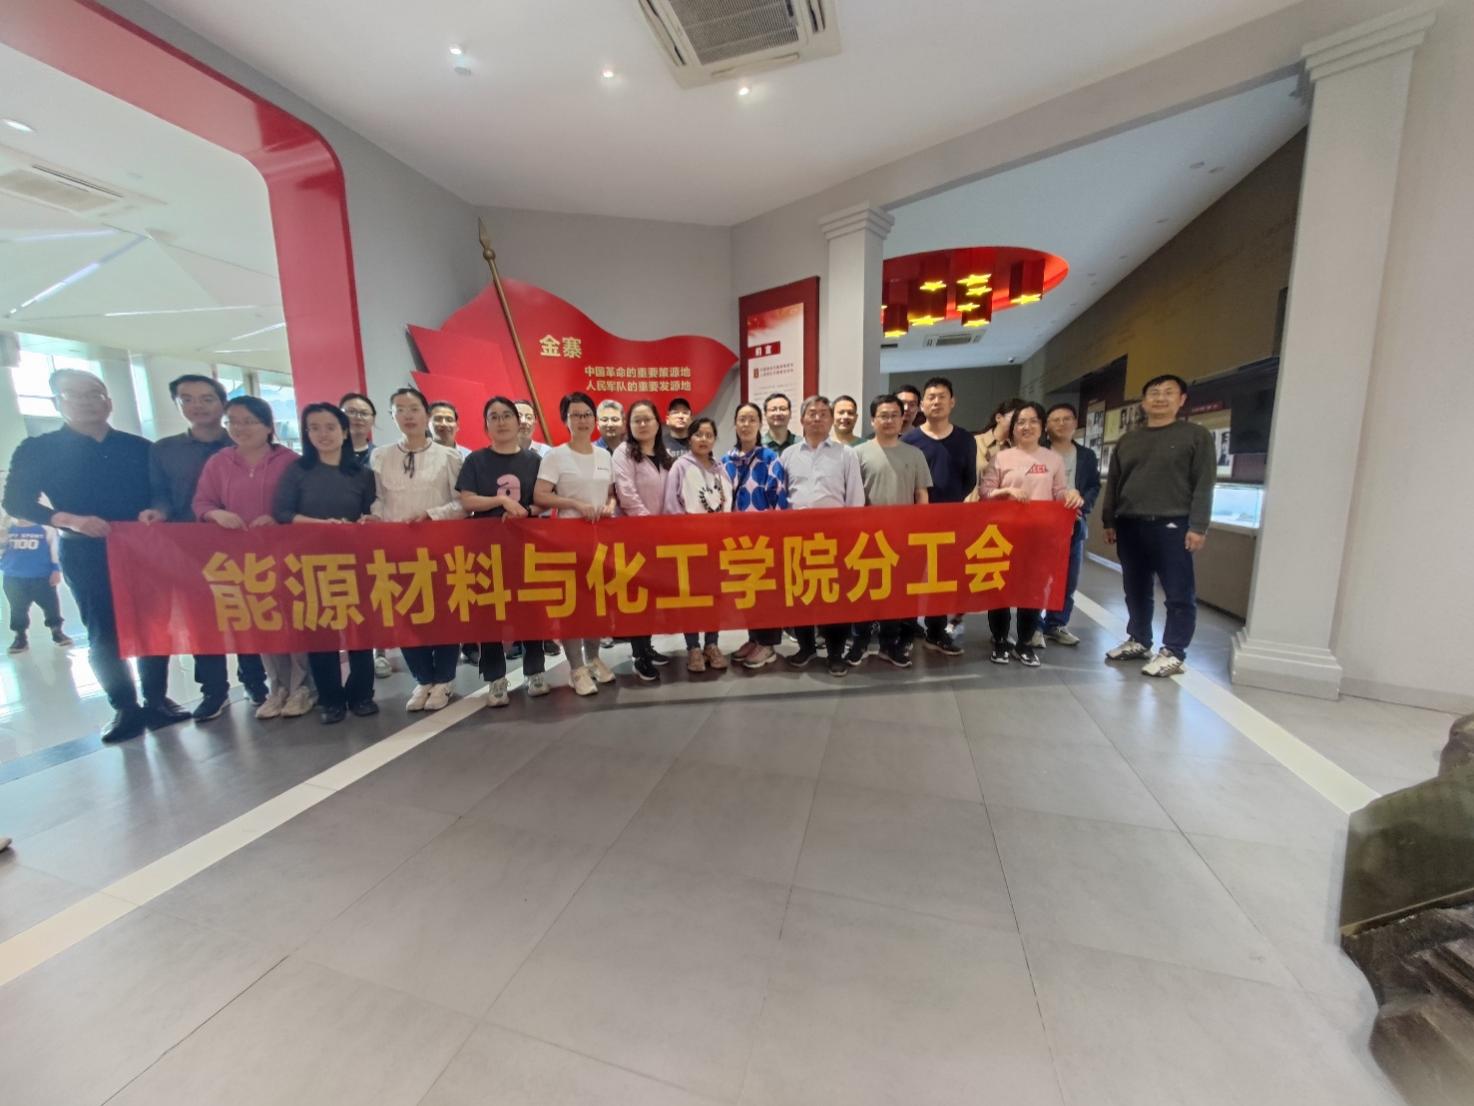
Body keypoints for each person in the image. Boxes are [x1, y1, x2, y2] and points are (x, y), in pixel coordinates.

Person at [3, 370, 189, 742]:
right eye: (75, 395)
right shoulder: (38, 448)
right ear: (58, 403)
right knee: (103, 631)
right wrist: (69, 519)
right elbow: (16, 501)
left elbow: (163, 493)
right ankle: (124, 706)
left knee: (154, 624)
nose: (87, 401)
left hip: (143, 548)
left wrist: (158, 510)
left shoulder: (139, 447)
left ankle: (156, 700)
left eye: (95, 393)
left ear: (109, 400)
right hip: (85, 550)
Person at [144, 373, 264, 720]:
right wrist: (158, 512)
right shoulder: (164, 450)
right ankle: (213, 691)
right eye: (188, 399)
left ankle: (256, 683)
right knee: (202, 622)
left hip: (242, 547)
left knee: (246, 616)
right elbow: (161, 495)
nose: (197, 406)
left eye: (207, 398)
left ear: (222, 404)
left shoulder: (245, 444)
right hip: (189, 548)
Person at [193, 396, 314, 719]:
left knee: (293, 620)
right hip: (242, 559)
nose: (240, 428)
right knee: (261, 622)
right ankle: (278, 687)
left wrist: (278, 518)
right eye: (233, 421)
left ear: (268, 426)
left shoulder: (290, 461)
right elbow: (202, 503)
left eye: (249, 421)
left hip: (287, 555)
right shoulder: (219, 462)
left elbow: (305, 503)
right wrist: (217, 514)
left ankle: (302, 687)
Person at [1101, 374, 1215, 678]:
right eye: (1154, 392)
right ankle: (1139, 639)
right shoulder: (1129, 440)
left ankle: (1174, 651)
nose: (1160, 398)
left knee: (1178, 592)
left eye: (1168, 392)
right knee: (1135, 588)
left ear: (1182, 399)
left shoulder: (1196, 436)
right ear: (1144, 401)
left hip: (1173, 524)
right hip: (1130, 523)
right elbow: (1114, 483)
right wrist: (1109, 520)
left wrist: (1199, 526)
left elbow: (1204, 484)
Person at [273, 403, 379, 723]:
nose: (323, 434)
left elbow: (371, 512)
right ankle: (330, 700)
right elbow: (282, 513)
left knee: (361, 631)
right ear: (306, 433)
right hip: (310, 563)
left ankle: (362, 694)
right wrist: (320, 525)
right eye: (315, 428)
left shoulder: (362, 473)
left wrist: (366, 521)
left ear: (344, 432)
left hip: (354, 562)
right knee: (320, 633)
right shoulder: (297, 470)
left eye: (330, 427)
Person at [370, 387, 466, 711]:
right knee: (405, 615)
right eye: (400, 409)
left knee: (444, 614)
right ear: (391, 416)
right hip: (395, 551)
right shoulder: (381, 457)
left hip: (439, 548)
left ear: (426, 414)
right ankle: (423, 678)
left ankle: (445, 678)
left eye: (414, 408)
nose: (407, 415)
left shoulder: (448, 456)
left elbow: (462, 503)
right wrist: (376, 517)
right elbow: (377, 500)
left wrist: (432, 514)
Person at [457, 396, 550, 707]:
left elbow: (543, 500)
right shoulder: (476, 461)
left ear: (518, 421)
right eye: (493, 417)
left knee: (530, 608)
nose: (501, 421)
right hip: (486, 549)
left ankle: (535, 671)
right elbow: (467, 500)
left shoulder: (534, 461)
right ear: (486, 425)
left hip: (526, 547)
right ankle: (495, 677)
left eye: (506, 415)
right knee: (489, 611)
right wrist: (501, 501)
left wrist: (527, 510)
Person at [979, 403, 1085, 667]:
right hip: (1004, 535)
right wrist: (1007, 492)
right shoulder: (1002, 458)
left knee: (1033, 592)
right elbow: (985, 492)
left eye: (1033, 421)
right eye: (1020, 422)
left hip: (1039, 537)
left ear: (1042, 426)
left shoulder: (1053, 459)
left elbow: (1059, 492)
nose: (1026, 427)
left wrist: (1071, 495)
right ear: (1013, 428)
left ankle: (1024, 644)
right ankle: (1000, 641)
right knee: (1000, 591)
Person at [534, 391, 616, 696]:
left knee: (597, 602)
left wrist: (609, 505)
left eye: (587, 415)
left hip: (600, 538)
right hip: (568, 539)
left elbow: (611, 493)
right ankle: (576, 668)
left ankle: (593, 658)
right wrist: (574, 504)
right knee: (573, 604)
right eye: (575, 415)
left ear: (594, 419)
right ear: (565, 420)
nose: (582, 420)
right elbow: (541, 495)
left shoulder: (604, 455)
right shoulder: (555, 456)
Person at [780, 396, 865, 677]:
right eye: (812, 413)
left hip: (835, 538)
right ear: (802, 419)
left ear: (830, 420)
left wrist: (852, 536)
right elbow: (781, 497)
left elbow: (855, 498)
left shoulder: (846, 454)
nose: (817, 418)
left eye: (823, 414)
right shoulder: (788, 455)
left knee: (835, 598)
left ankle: (835, 653)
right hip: (796, 538)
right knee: (801, 595)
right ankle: (806, 648)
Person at [846, 394, 931, 669]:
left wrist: (920, 532)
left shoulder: (914, 454)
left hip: (902, 538)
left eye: (895, 415)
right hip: (865, 539)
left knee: (896, 595)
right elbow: (851, 496)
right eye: (883, 415)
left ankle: (888, 644)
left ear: (902, 418)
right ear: (873, 420)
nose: (889, 420)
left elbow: (921, 495)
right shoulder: (857, 454)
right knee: (863, 592)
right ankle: (859, 643)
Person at [902, 377, 975, 656]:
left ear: (952, 402)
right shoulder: (910, 440)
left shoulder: (965, 439)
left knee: (941, 579)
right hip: (914, 521)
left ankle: (936, 632)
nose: (936, 402)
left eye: (942, 396)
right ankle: (907, 631)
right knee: (908, 576)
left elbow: (968, 480)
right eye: (930, 397)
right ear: (922, 404)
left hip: (949, 522)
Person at [610, 398, 674, 682]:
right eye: (637, 420)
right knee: (636, 597)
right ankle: (639, 655)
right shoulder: (623, 453)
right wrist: (649, 525)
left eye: (648, 419)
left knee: (651, 596)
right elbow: (626, 494)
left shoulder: (664, 455)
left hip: (661, 537)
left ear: (658, 424)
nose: (643, 424)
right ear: (629, 425)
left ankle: (648, 645)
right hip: (634, 536)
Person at [664, 416, 733, 674]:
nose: (703, 439)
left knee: (715, 597)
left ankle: (712, 644)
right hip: (690, 547)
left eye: (709, 435)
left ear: (714, 439)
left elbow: (727, 505)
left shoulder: (721, 469)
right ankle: (693, 647)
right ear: (690, 438)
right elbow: (671, 507)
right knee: (691, 597)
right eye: (698, 434)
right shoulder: (680, 467)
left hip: (717, 546)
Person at [724, 402, 788, 669]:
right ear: (735, 424)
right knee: (748, 590)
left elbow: (779, 497)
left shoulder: (770, 458)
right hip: (736, 540)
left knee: (767, 592)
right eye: (742, 419)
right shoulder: (726, 460)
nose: (746, 424)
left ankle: (768, 644)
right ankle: (754, 637)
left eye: (752, 419)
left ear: (760, 424)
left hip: (765, 539)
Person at [1040, 403, 1101, 647]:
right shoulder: (1037, 453)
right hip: (1042, 524)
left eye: (1066, 419)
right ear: (1046, 426)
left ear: (1075, 423)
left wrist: (1082, 504)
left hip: (1073, 523)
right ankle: (1033, 625)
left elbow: (1094, 485)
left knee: (1068, 578)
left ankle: (1056, 624)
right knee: (1037, 577)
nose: (1061, 424)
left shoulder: (1086, 455)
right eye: (1055, 420)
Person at [1, 512, 71, 654]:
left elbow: (54, 548)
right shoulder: (7, 527)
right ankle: (20, 636)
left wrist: (56, 569)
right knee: (17, 608)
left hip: (42, 576)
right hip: (14, 577)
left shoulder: (45, 527)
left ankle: (56, 631)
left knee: (50, 605)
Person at [970, 398, 1025, 499]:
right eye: (1014, 419)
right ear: (998, 418)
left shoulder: (1017, 450)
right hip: (972, 504)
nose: (1018, 424)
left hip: (1000, 505)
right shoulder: (974, 442)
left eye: (1021, 421)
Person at [340, 392, 378, 466]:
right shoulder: (326, 454)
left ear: (373, 419)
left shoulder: (380, 456)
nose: (358, 417)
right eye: (351, 412)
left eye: (364, 413)